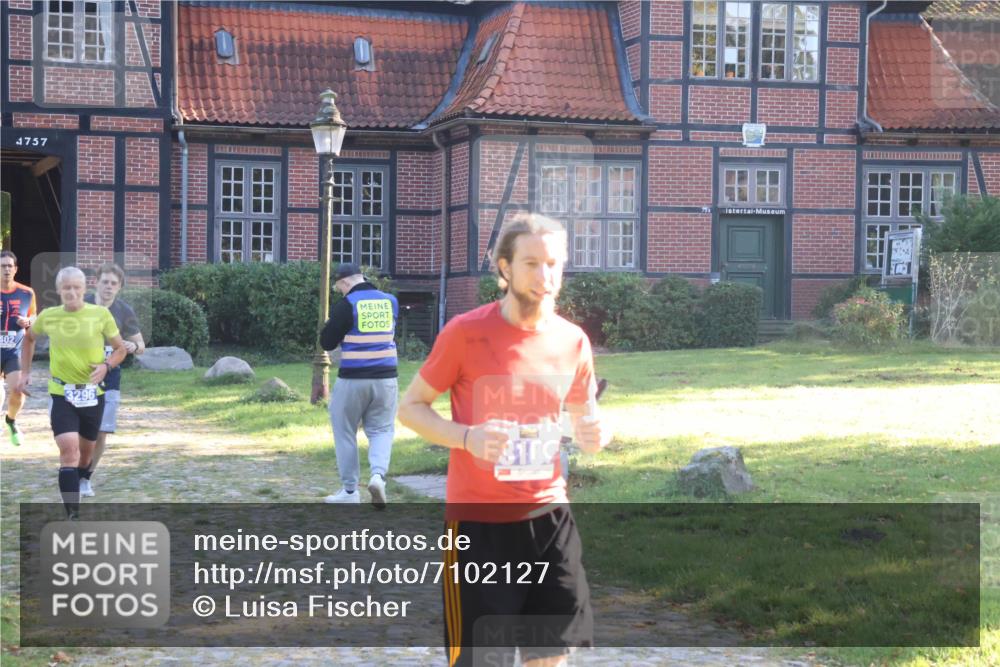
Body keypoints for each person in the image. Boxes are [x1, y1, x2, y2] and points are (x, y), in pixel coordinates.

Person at [398, 213, 612, 667]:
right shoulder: (465, 333)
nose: (545, 275)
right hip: (480, 527)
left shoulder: (573, 342)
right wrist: (468, 438)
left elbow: (587, 420)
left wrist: (598, 433)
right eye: (532, 263)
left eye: (554, 263)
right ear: (504, 268)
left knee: (550, 656)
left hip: (550, 520)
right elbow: (410, 407)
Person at [17, 266, 126, 519]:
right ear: (58, 290)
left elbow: (120, 349)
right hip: (61, 392)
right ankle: (72, 515)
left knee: (84, 456)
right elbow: (29, 338)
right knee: (69, 452)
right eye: (66, 288)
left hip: (92, 393)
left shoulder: (100, 315)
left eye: (76, 287)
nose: (72, 292)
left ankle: (79, 482)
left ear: (84, 289)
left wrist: (106, 366)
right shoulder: (50, 316)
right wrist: (25, 373)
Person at [319, 263, 399, 508]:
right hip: (386, 378)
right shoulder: (390, 301)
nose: (339, 291)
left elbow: (327, 343)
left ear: (344, 283)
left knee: (345, 431)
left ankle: (350, 490)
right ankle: (377, 476)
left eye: (338, 287)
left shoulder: (347, 305)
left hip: (353, 378)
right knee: (382, 430)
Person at [80, 262, 145, 497]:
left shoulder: (124, 310)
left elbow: (141, 347)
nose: (108, 287)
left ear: (119, 287)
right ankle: (75, 466)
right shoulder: (81, 303)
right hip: (80, 374)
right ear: (96, 282)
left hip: (111, 375)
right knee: (80, 430)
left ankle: (86, 477)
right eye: (105, 281)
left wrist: (132, 345)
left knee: (101, 431)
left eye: (113, 284)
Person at [1, 250, 37, 446]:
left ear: (15, 269)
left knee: (18, 390)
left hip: (14, 350)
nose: (6, 269)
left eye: (9, 266)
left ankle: (11, 421)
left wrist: (29, 321)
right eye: (2, 266)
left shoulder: (26, 292)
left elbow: (35, 317)